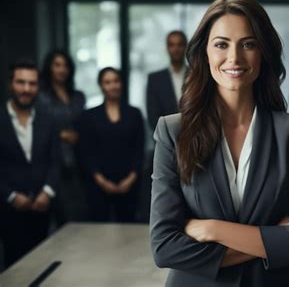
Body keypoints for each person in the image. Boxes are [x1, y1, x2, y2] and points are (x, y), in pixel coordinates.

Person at [149, 0, 289, 287]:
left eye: (248, 44)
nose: (234, 57)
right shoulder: (172, 131)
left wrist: (211, 229)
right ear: (204, 54)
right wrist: (273, 239)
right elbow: (164, 246)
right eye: (221, 44)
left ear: (263, 53)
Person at [0, 59, 60, 268]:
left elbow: (55, 160)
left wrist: (48, 192)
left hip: (42, 208)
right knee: (13, 269)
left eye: (32, 83)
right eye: (20, 82)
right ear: (10, 84)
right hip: (7, 210)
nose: (26, 89)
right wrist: (10, 195)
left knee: (43, 268)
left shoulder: (48, 118)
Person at [78, 67, 144, 222]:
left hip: (129, 184)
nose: (113, 86)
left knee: (128, 232)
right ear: (101, 86)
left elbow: (139, 149)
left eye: (116, 81)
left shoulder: (134, 114)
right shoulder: (89, 116)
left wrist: (131, 179)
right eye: (107, 82)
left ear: (121, 83)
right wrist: (101, 181)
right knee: (99, 232)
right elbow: (86, 151)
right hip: (98, 185)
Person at [38, 50, 86, 224]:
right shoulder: (41, 97)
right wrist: (61, 134)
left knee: (80, 214)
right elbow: (38, 127)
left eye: (65, 65)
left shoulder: (78, 97)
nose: (62, 69)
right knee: (60, 217)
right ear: (49, 68)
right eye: (57, 65)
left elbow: (84, 125)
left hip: (78, 160)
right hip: (53, 160)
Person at [146, 30, 188, 131]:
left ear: (186, 47)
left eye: (180, 45)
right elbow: (153, 116)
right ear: (167, 48)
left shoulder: (197, 76)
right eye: (172, 45)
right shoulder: (155, 79)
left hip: (195, 138)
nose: (176, 49)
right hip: (165, 140)